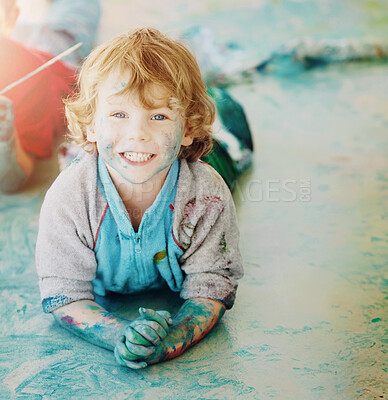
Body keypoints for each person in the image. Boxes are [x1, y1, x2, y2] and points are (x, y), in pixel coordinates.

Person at [35, 28, 244, 369]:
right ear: (90, 125)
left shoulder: (207, 192)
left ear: (188, 127)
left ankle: (222, 100)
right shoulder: (69, 196)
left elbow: (213, 284)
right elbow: (64, 294)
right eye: (119, 115)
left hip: (212, 156)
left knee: (232, 144)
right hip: (96, 159)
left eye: (159, 116)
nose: (138, 133)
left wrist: (172, 338)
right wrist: (121, 334)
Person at [0, 0, 100, 192]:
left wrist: (5, 141)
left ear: (10, 18)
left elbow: (16, 179)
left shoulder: (32, 79)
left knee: (80, 8)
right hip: (21, 36)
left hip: (60, 47)